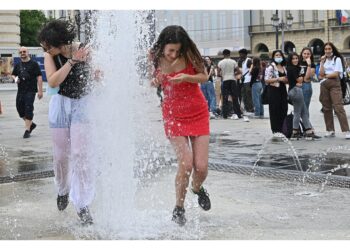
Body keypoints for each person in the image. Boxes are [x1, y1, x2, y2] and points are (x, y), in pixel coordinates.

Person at [149, 25, 211, 226]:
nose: (173, 54)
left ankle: (196, 188)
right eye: (170, 51)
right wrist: (153, 81)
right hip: (173, 114)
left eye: (177, 50)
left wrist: (187, 77)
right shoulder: (154, 57)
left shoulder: (190, 54)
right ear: (162, 47)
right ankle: (179, 207)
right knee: (185, 162)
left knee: (200, 167)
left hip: (197, 111)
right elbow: (150, 80)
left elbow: (204, 77)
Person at [38, 19, 95, 224]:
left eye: (47, 45)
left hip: (83, 104)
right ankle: (63, 190)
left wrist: (96, 70)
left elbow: (99, 75)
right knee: (61, 156)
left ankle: (82, 203)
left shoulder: (84, 50)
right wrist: (72, 62)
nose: (45, 48)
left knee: (81, 154)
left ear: (59, 42)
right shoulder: (49, 56)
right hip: (61, 105)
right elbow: (53, 81)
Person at [318, 42, 350, 139]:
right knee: (326, 108)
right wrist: (321, 62)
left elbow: (336, 74)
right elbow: (320, 73)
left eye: (329, 49)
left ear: (332, 49)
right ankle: (330, 130)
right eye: (326, 49)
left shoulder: (337, 59)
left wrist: (325, 76)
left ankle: (346, 130)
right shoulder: (323, 60)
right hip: (324, 85)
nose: (327, 51)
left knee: (338, 107)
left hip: (334, 84)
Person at [286, 52, 320, 140]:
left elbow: (300, 80)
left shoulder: (294, 68)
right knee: (298, 112)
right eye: (293, 59)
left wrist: (299, 79)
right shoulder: (291, 68)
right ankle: (295, 132)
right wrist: (300, 78)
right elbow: (300, 80)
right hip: (295, 91)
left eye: (296, 58)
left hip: (294, 90)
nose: (295, 60)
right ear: (290, 60)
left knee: (304, 111)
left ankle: (308, 131)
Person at [11, 47, 43, 138]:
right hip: (20, 90)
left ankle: (27, 130)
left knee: (28, 108)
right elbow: (13, 74)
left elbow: (39, 77)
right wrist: (15, 78)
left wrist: (40, 91)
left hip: (31, 90)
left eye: (24, 51)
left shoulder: (34, 64)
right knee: (19, 109)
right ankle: (31, 124)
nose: (22, 53)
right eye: (20, 52)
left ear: (28, 52)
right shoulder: (18, 65)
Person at [218, 49, 248, 121]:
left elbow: (218, 74)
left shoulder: (220, 62)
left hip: (225, 80)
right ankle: (238, 114)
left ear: (223, 54)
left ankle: (224, 115)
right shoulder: (233, 61)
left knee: (224, 98)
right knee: (235, 97)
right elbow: (238, 71)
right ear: (229, 54)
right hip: (232, 80)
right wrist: (233, 74)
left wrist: (223, 75)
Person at [264, 50, 288, 135]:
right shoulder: (271, 67)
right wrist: (278, 79)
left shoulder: (284, 67)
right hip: (273, 90)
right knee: (275, 110)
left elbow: (286, 79)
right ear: (273, 57)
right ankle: (275, 130)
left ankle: (283, 129)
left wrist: (286, 80)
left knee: (284, 109)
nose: (278, 57)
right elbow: (266, 80)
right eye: (276, 55)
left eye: (280, 55)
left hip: (283, 90)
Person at [238, 48, 254, 114]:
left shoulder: (248, 60)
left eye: (241, 54)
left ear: (245, 54)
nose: (240, 55)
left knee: (248, 95)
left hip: (248, 80)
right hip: (243, 80)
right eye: (240, 54)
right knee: (244, 95)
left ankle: (251, 108)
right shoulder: (242, 61)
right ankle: (247, 108)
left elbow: (251, 68)